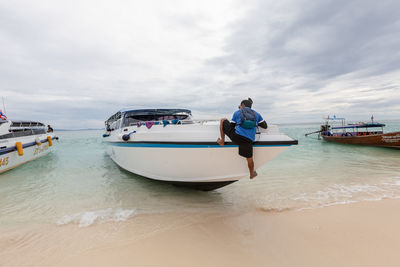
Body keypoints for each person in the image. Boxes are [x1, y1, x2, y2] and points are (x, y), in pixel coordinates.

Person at [217, 98, 268, 179]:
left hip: (236, 137)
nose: (239, 107)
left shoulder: (237, 113)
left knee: (223, 120)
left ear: (243, 105)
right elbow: (265, 126)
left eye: (240, 106)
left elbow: (231, 126)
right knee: (249, 158)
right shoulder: (257, 114)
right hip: (248, 140)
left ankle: (222, 141)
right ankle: (252, 174)